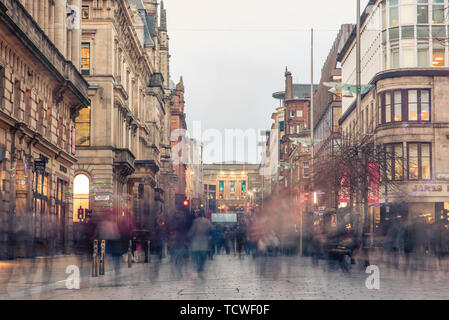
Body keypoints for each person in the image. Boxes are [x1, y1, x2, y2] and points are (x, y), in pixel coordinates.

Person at [187, 212, 213, 279]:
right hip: (204, 240)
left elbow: (192, 230)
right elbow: (212, 229)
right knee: (203, 256)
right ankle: (200, 268)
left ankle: (198, 267)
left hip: (196, 240)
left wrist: (188, 236)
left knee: (195, 254)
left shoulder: (196, 221)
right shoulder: (207, 221)